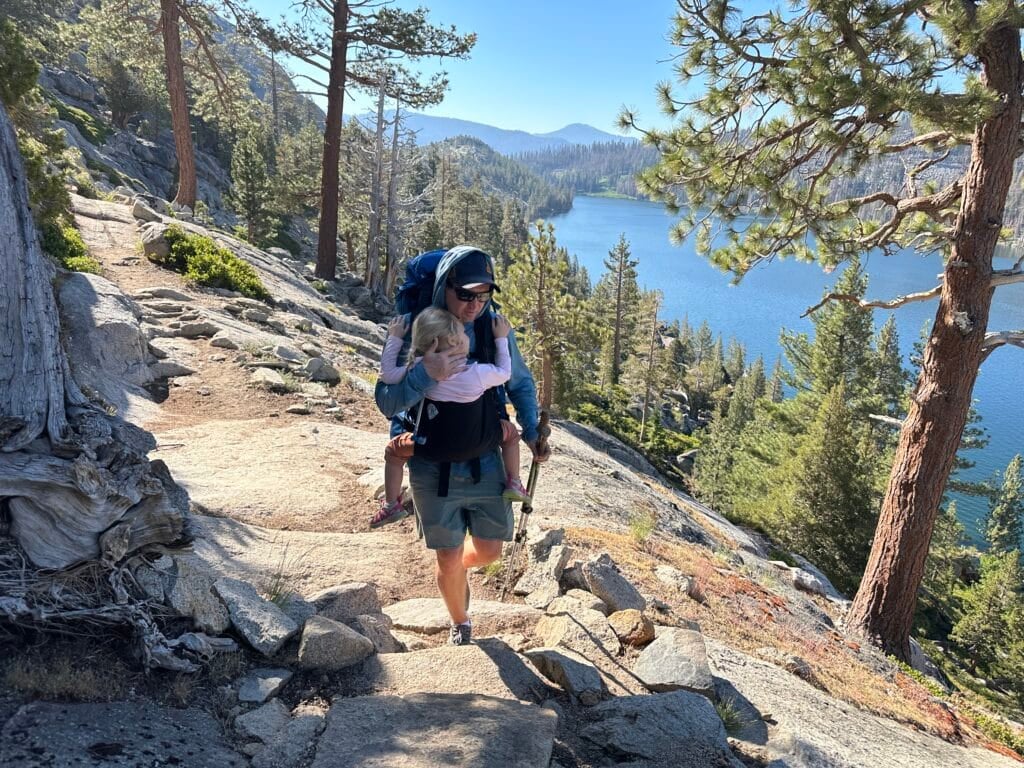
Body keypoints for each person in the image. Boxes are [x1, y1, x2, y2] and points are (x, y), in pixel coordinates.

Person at [375, 246, 550, 646]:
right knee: (448, 556)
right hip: (432, 461)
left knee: (488, 552)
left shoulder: (491, 329)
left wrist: (532, 429)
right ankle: (460, 620)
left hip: (484, 454)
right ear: (444, 287)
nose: (475, 304)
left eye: (484, 295)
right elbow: (387, 401)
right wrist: (425, 375)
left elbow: (517, 383)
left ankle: (459, 572)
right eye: (466, 294)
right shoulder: (419, 329)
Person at [369, 307, 530, 529]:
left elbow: (387, 374)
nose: (468, 335)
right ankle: (514, 482)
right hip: (480, 442)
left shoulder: (420, 368)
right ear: (456, 343)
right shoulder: (478, 373)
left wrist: (395, 338)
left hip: (432, 448)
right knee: (510, 434)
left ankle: (391, 505)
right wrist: (501, 339)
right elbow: (505, 372)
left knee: (393, 452)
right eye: (464, 334)